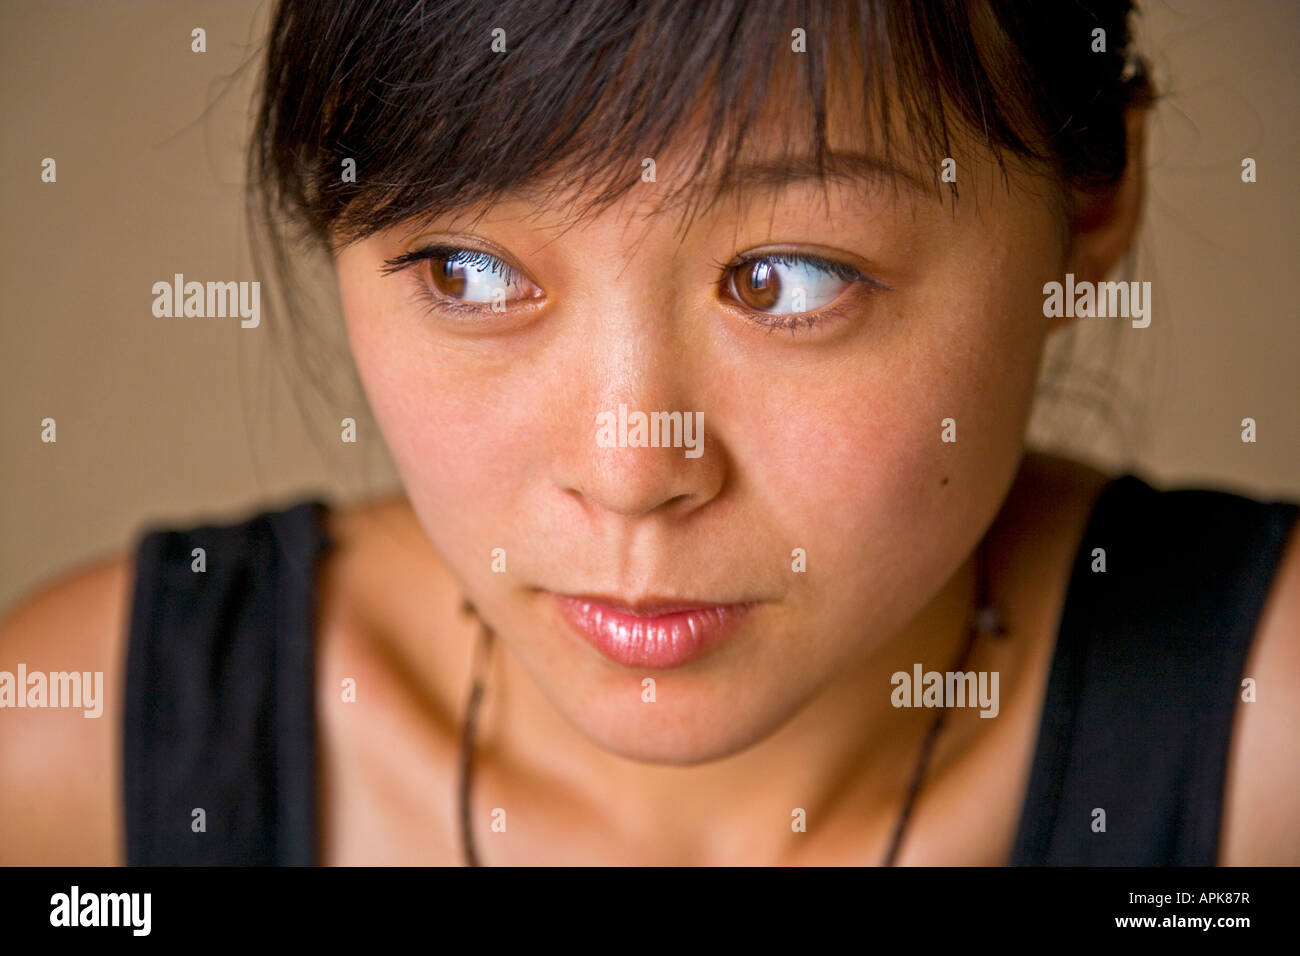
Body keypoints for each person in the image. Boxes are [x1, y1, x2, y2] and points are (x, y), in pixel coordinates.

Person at [2, 0, 1297, 866]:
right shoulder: (79, 765)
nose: (628, 475)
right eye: (467, 272)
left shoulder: (1264, 752)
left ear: (1090, 204)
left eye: (789, 277)